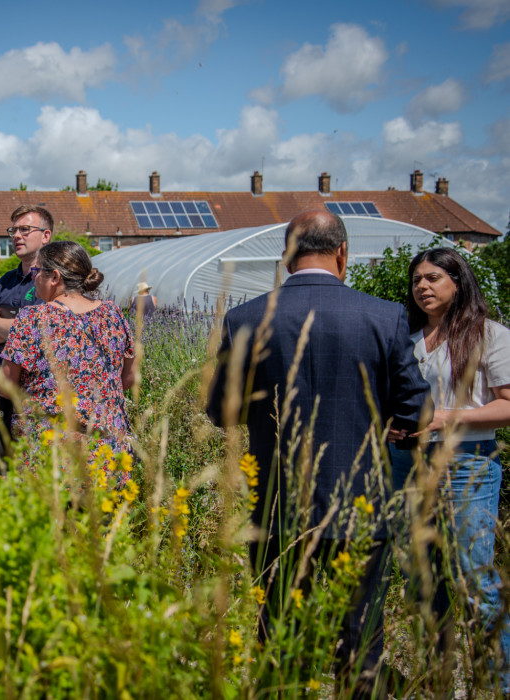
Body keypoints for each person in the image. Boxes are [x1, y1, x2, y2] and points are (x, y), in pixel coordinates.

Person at [206, 210, 428, 697]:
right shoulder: (384, 316)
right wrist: (389, 426)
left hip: (277, 504)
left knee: (279, 634)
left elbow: (221, 410)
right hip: (360, 501)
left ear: (287, 256)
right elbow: (417, 407)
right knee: (361, 639)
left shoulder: (246, 318)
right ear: (343, 253)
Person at [390, 247, 510, 692]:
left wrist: (445, 418)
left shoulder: (490, 335)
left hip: (467, 461)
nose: (422, 286)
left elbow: (508, 405)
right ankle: (436, 677)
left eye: (433, 277)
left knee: (473, 574)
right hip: (407, 460)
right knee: (419, 574)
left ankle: (496, 682)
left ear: (458, 283)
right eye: (416, 279)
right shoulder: (406, 337)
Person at [0, 240, 136, 472]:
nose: (33, 278)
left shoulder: (31, 319)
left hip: (50, 455)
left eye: (36, 271)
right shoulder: (113, 314)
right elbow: (129, 378)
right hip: (107, 452)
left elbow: (5, 387)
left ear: (54, 277)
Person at [0, 205, 53, 465]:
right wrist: (19, 330)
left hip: (39, 391)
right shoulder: (5, 281)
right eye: (13, 230)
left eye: (25, 229)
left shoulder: (54, 280)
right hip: (3, 388)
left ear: (46, 235)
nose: (16, 236)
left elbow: (41, 331)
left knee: (35, 469)